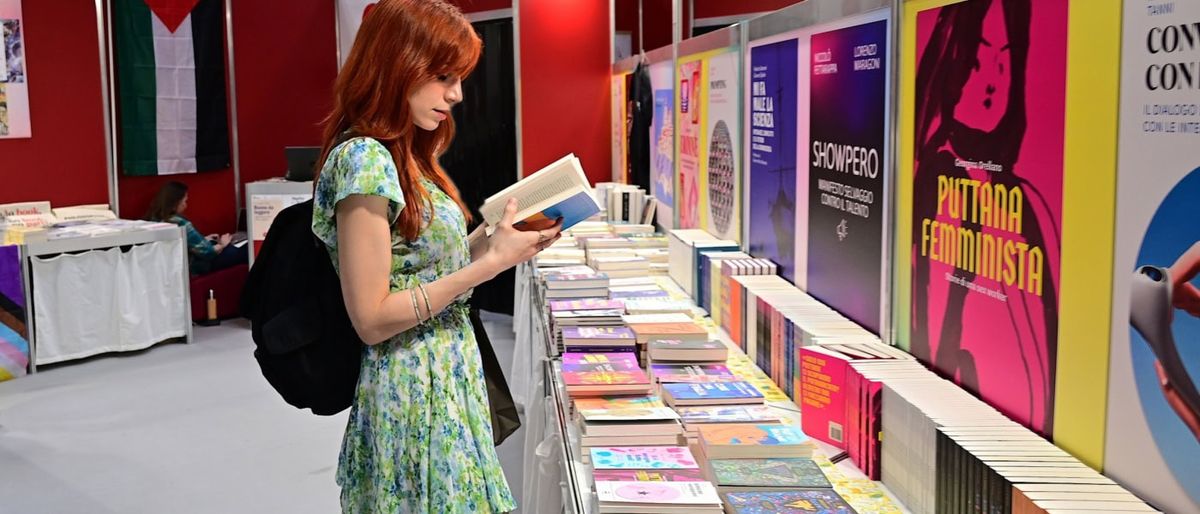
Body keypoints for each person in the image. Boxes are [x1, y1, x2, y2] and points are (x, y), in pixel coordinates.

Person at [310, 1, 561, 512]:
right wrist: (490, 264)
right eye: (443, 76)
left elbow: (423, 266)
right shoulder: (363, 159)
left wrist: (494, 239)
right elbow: (372, 318)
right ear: (397, 65)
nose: (456, 94)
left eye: (459, 77)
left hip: (445, 373)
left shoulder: (405, 153)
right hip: (412, 385)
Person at [144, 181, 247, 275]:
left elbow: (183, 245)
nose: (185, 205)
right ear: (176, 203)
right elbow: (207, 252)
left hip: (172, 269)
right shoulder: (180, 223)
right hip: (196, 267)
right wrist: (223, 244)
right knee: (243, 250)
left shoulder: (153, 220)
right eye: (184, 201)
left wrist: (204, 239)